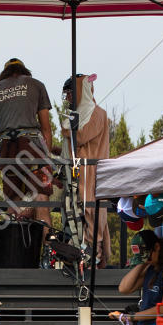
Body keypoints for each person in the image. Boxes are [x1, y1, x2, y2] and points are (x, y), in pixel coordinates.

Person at [0, 58, 56, 225]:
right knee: (41, 197)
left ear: (4, 74)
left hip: (8, 149)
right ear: (24, 71)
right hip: (32, 147)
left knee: (13, 201)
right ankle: (48, 248)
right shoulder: (36, 85)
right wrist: (46, 159)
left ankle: (11, 248)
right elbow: (46, 127)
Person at [62, 72, 112, 267]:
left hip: (91, 173)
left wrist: (69, 128)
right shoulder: (78, 114)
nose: (67, 98)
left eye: (70, 93)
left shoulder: (98, 113)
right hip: (77, 172)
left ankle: (94, 253)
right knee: (74, 211)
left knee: (91, 211)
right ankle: (78, 250)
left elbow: (81, 137)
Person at [111, 232, 163, 325]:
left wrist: (130, 317)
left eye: (147, 256)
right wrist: (141, 263)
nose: (146, 260)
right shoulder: (150, 269)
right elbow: (124, 288)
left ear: (157, 247)